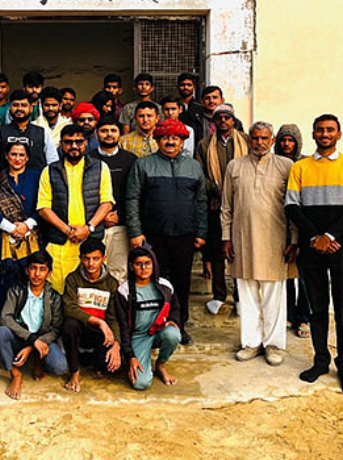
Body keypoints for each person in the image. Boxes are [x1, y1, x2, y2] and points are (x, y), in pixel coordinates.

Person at [285, 114, 343, 395]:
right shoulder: (300, 168)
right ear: (313, 134)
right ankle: (320, 361)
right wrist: (315, 238)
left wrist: (329, 236)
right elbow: (292, 207)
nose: (325, 134)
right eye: (320, 130)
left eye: (330, 130)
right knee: (317, 308)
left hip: (341, 247)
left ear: (339, 134)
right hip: (312, 248)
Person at [221, 122, 298, 366]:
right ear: (249, 140)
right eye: (255, 138)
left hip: (275, 240)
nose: (260, 142)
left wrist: (294, 239)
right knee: (247, 292)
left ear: (272, 140)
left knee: (274, 295)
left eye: (265, 138)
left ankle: (274, 344)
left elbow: (294, 206)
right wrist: (226, 237)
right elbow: (226, 206)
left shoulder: (286, 166)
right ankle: (251, 343)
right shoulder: (235, 166)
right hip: (243, 239)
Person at [126, 118, 207, 345]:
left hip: (185, 236)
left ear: (182, 141)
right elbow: (132, 199)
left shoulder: (193, 167)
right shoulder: (143, 165)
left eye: (175, 138)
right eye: (165, 138)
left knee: (182, 284)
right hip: (154, 236)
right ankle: (153, 327)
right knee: (155, 283)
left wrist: (201, 232)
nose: (170, 142)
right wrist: (135, 231)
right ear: (157, 140)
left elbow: (201, 201)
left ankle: (179, 326)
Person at [38, 124, 114, 293]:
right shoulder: (49, 171)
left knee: (91, 292)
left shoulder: (100, 168)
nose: (74, 146)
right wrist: (67, 231)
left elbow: (107, 202)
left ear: (86, 143)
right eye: (68, 142)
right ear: (61, 144)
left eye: (79, 142)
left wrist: (88, 228)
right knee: (58, 290)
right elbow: (43, 207)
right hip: (60, 242)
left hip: (90, 241)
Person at [0, 250, 67, 400]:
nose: (37, 274)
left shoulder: (54, 297)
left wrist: (33, 345)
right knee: (0, 332)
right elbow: (5, 318)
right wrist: (31, 340)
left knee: (60, 367)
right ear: (27, 270)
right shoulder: (16, 290)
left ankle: (38, 360)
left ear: (49, 273)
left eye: (42, 269)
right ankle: (15, 374)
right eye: (33, 268)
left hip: (43, 340)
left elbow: (56, 329)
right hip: (20, 338)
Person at [197, 103, 249, 315]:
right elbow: (200, 174)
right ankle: (219, 295)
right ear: (214, 121)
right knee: (218, 252)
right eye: (219, 118)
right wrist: (216, 189)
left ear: (233, 120)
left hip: (243, 204)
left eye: (227, 117)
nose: (223, 121)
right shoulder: (204, 144)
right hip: (215, 204)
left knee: (240, 251)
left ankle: (240, 296)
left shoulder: (246, 141)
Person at [116, 247, 181, 390]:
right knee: (141, 384)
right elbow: (122, 327)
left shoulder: (164, 286)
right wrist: (130, 357)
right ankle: (139, 360)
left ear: (154, 264)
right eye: (138, 264)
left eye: (147, 263)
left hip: (159, 331)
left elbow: (175, 307)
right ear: (131, 266)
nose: (143, 268)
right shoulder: (124, 291)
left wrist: (173, 320)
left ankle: (161, 365)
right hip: (138, 337)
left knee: (173, 334)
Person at [61, 239, 121, 393]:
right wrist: (99, 322)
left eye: (96, 258)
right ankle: (74, 372)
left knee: (110, 366)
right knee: (69, 325)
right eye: (87, 259)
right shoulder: (73, 279)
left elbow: (113, 317)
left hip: (99, 334)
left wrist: (116, 344)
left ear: (104, 258)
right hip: (80, 329)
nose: (91, 263)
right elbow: (69, 308)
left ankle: (92, 360)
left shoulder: (111, 283)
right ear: (80, 258)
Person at [0, 142, 42, 312]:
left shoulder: (37, 177)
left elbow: (45, 204)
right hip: (5, 238)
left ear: (27, 157)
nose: (17, 158)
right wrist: (10, 227)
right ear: (6, 156)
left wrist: (27, 225)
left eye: (22, 155)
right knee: (4, 282)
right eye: (13, 154)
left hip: (32, 236)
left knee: (31, 277)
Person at [90, 115, 137, 283]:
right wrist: (100, 218)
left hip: (121, 225)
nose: (109, 134)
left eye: (113, 130)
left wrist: (119, 215)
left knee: (119, 271)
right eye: (104, 131)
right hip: (93, 225)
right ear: (96, 134)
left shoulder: (131, 160)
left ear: (119, 134)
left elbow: (134, 194)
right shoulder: (88, 159)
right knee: (93, 270)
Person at [275, 123, 311, 339]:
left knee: (304, 275)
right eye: (283, 140)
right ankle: (288, 313)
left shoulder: (306, 163)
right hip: (280, 223)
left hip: (303, 223)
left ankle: (304, 316)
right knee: (285, 275)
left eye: (290, 140)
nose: (286, 144)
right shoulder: (273, 163)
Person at [0, 90, 58, 173]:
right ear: (10, 108)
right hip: (5, 180)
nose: (19, 108)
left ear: (31, 108)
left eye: (24, 105)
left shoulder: (42, 133)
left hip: (37, 180)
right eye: (15, 105)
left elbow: (53, 163)